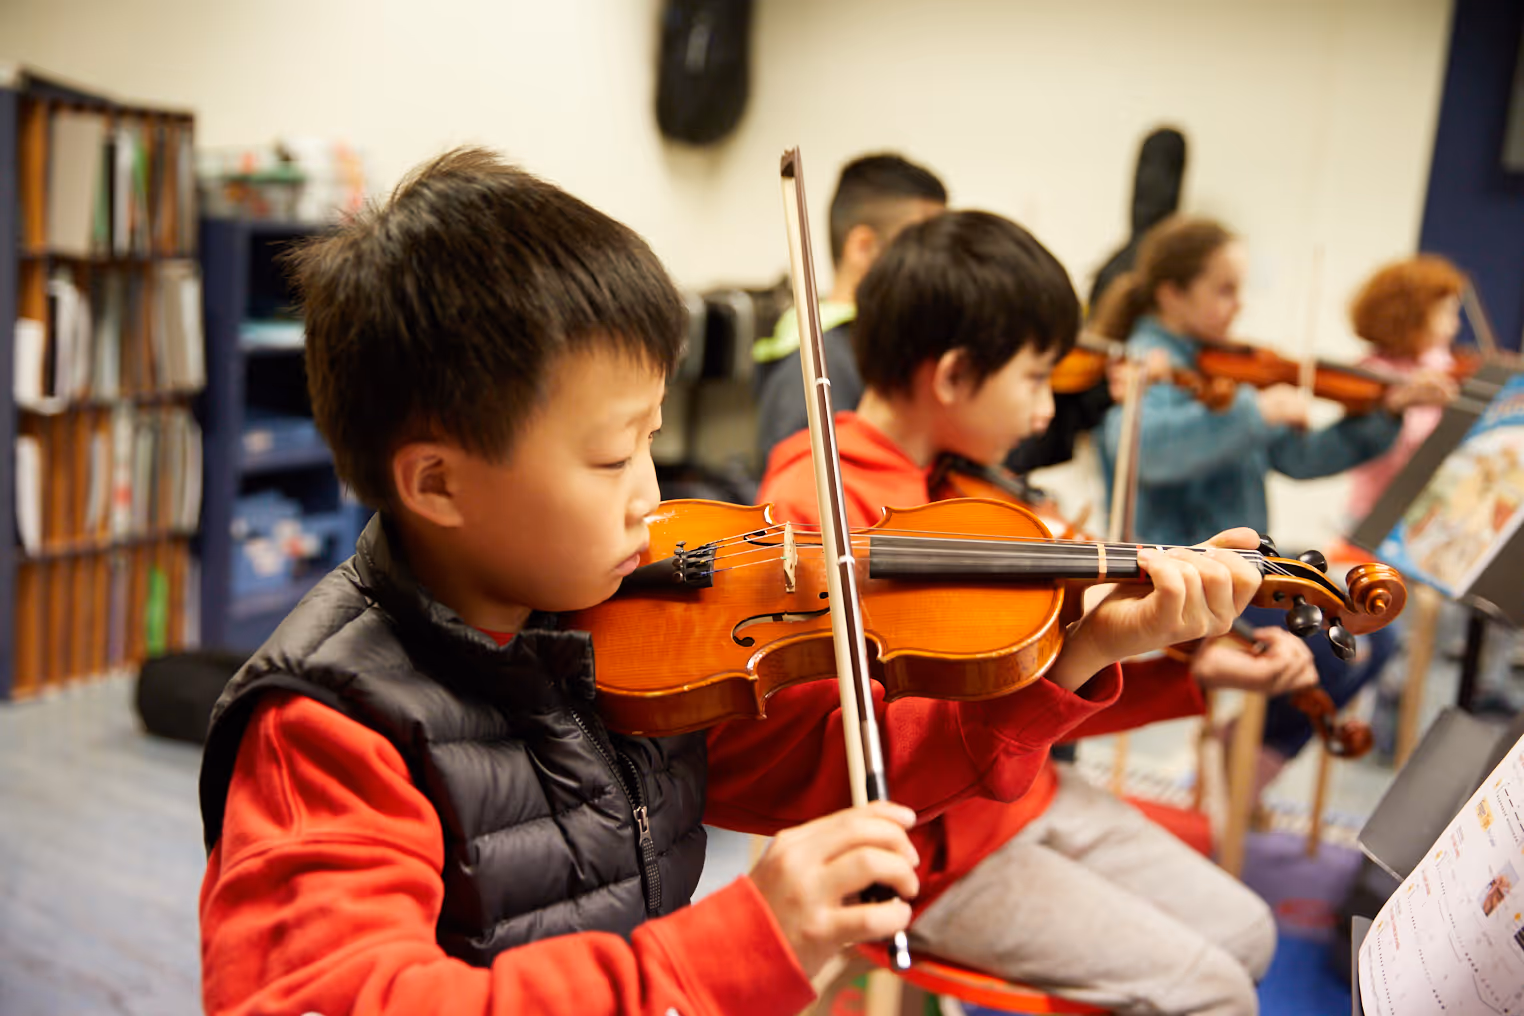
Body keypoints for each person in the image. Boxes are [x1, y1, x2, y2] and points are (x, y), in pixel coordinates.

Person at [195, 147, 933, 1016]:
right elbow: (348, 997)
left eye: (651, 441)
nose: (653, 498)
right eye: (614, 457)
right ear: (436, 483)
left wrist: (1056, 675)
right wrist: (730, 947)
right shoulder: (327, 732)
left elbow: (809, 760)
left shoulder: (606, 626)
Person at [714, 210, 1322, 1016]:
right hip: (932, 854)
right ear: (956, 376)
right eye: (1036, 379)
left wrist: (1189, 667)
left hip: (1018, 796)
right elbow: (854, 765)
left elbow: (1023, 693)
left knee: (1250, 932)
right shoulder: (822, 509)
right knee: (1214, 994)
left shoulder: (961, 485)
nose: (1046, 412)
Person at [1091, 216, 1456, 800]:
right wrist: (1254, 414)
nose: (1238, 306)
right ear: (1171, 292)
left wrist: (1386, 412)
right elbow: (1150, 452)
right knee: (1337, 648)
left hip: (1245, 567)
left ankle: (1242, 765)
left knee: (1372, 629)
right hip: (1176, 574)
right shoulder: (1143, 365)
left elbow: (1304, 458)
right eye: (1224, 289)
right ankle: (1241, 772)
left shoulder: (1231, 367)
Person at [752, 152, 946, 461]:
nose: (942, 263)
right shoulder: (823, 359)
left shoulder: (875, 345)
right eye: (924, 244)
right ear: (863, 247)